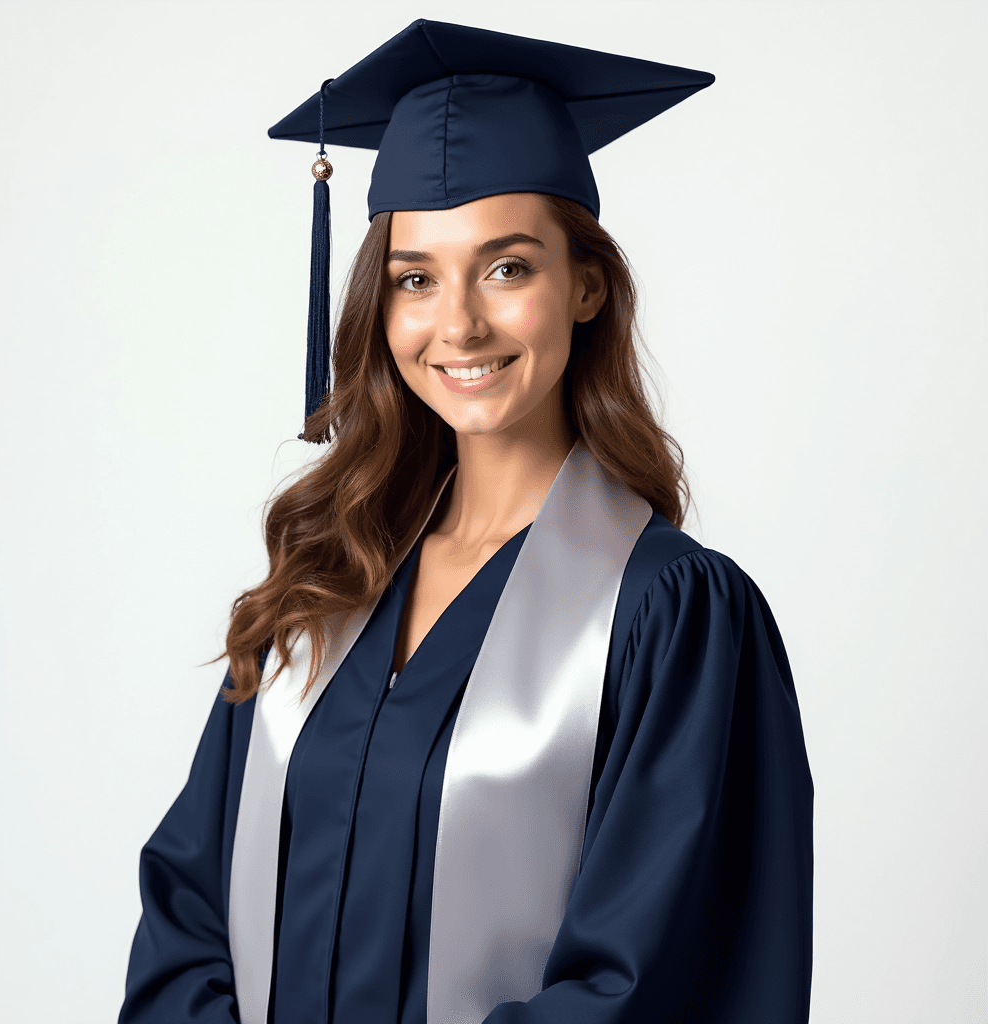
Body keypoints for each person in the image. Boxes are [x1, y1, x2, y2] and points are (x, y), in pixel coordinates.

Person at [119, 19, 813, 1024]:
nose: (458, 325)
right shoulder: (323, 585)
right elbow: (185, 913)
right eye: (416, 277)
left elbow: (656, 982)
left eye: (507, 267)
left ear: (584, 284)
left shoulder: (669, 615)